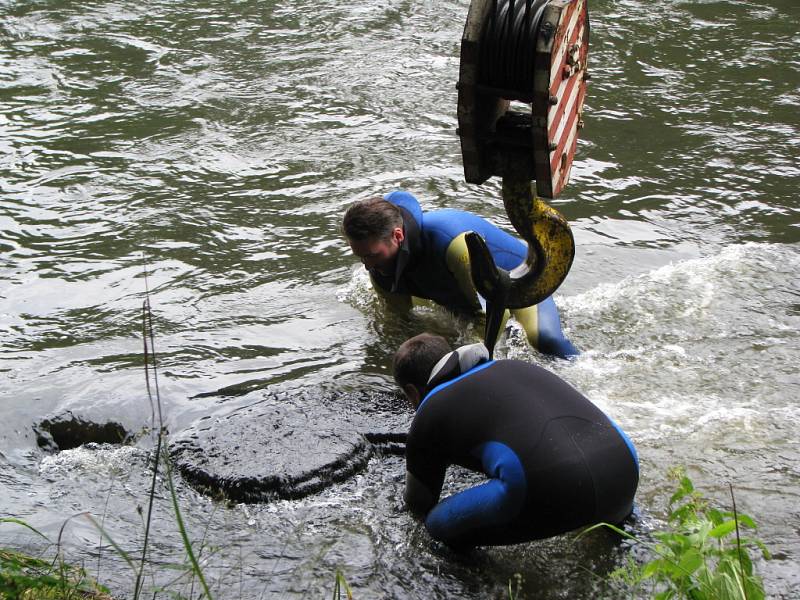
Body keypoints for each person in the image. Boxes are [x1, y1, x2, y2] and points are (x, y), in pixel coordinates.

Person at [392, 332, 639, 548]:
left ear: (413, 392)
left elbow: (418, 504)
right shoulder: (516, 367)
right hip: (624, 467)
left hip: (553, 489)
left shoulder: (429, 410)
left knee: (434, 526)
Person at [342, 190, 578, 358]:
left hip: (517, 288)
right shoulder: (379, 264)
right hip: (459, 295)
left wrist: (463, 360)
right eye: (360, 256)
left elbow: (493, 315)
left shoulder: (453, 244)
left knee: (546, 342)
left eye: (371, 256)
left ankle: (577, 366)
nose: (366, 265)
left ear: (397, 236)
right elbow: (399, 323)